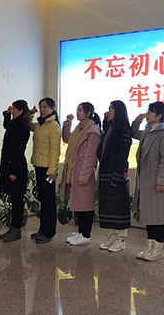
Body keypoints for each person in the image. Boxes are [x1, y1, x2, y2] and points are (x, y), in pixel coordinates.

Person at [131, 101, 164, 261]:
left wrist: (161, 181)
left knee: (158, 215)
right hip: (145, 179)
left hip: (156, 180)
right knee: (149, 213)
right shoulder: (148, 130)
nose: (147, 114)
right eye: (148, 111)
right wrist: (139, 119)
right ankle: (150, 246)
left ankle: (158, 248)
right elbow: (133, 132)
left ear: (159, 115)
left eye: (150, 112)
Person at [61, 102, 102, 246]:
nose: (77, 112)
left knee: (86, 205)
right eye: (77, 110)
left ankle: (86, 234)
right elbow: (67, 139)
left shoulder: (93, 131)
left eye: (80, 110)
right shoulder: (79, 128)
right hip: (75, 171)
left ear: (88, 113)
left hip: (84, 174)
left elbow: (91, 157)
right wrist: (67, 124)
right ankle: (80, 232)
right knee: (79, 203)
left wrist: (84, 176)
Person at [96, 100, 132, 252]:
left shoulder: (124, 131)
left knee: (119, 207)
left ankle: (121, 239)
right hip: (106, 171)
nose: (108, 111)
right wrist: (106, 120)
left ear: (118, 111)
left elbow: (123, 156)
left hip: (115, 173)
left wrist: (117, 176)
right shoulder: (110, 128)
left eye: (111, 109)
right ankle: (112, 235)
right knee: (109, 207)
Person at [0, 100, 31, 242]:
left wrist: (14, 172)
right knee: (13, 197)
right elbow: (7, 125)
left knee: (17, 199)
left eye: (15, 109)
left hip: (16, 167)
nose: (13, 111)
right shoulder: (14, 124)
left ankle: (16, 229)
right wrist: (7, 114)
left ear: (21, 111)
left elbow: (18, 150)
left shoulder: (23, 127)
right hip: (9, 165)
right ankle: (13, 228)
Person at [29, 97, 61, 243]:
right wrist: (31, 113)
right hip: (38, 166)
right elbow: (29, 125)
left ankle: (49, 232)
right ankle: (42, 229)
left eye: (45, 107)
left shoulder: (53, 126)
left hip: (48, 169)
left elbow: (55, 151)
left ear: (52, 109)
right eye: (40, 107)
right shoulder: (40, 124)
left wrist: (52, 171)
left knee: (48, 201)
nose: (42, 109)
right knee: (43, 199)